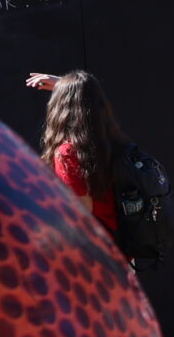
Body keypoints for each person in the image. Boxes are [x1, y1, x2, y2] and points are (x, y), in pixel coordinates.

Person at [30, 70, 127, 239]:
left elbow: (81, 215)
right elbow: (91, 97)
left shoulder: (68, 153)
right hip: (122, 247)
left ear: (59, 108)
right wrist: (69, 87)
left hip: (96, 253)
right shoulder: (111, 141)